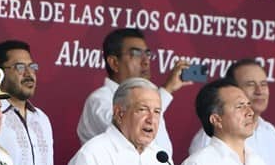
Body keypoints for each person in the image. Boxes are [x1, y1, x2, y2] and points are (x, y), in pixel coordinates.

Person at [76, 28, 190, 157]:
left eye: (147, 54)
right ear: (114, 63)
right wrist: (165, 91)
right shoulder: (99, 100)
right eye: (136, 54)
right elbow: (129, 131)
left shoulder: (152, 102)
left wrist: (166, 91)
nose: (146, 61)